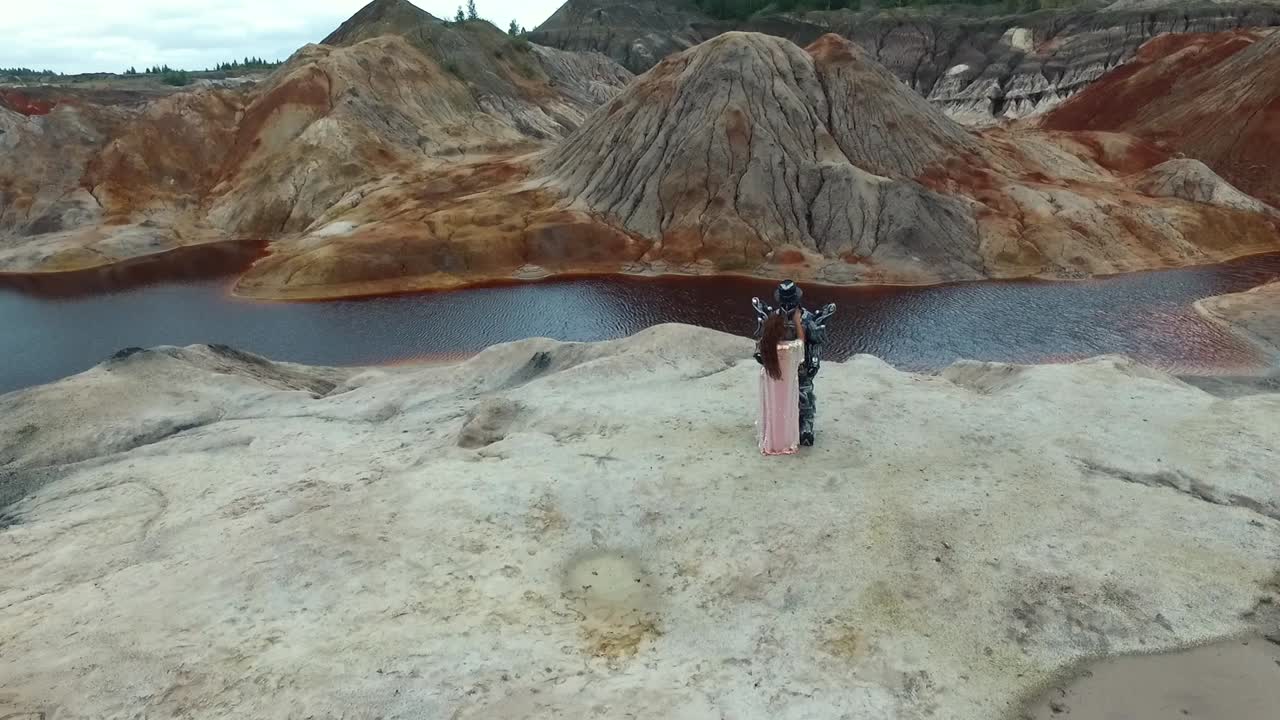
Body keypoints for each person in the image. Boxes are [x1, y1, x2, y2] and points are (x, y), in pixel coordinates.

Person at [751, 280, 836, 447]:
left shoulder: (806, 318)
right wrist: (763, 354)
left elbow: (815, 341)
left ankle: (805, 428)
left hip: (800, 363)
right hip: (780, 365)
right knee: (780, 397)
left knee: (804, 395)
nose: (788, 304)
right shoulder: (774, 318)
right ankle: (780, 428)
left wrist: (814, 359)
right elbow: (764, 340)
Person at [757, 307, 806, 455]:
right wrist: (797, 322)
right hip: (786, 386)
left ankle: (770, 441)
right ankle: (784, 442)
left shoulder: (766, 347)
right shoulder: (788, 348)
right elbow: (801, 341)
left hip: (771, 384)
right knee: (786, 410)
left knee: (771, 409)